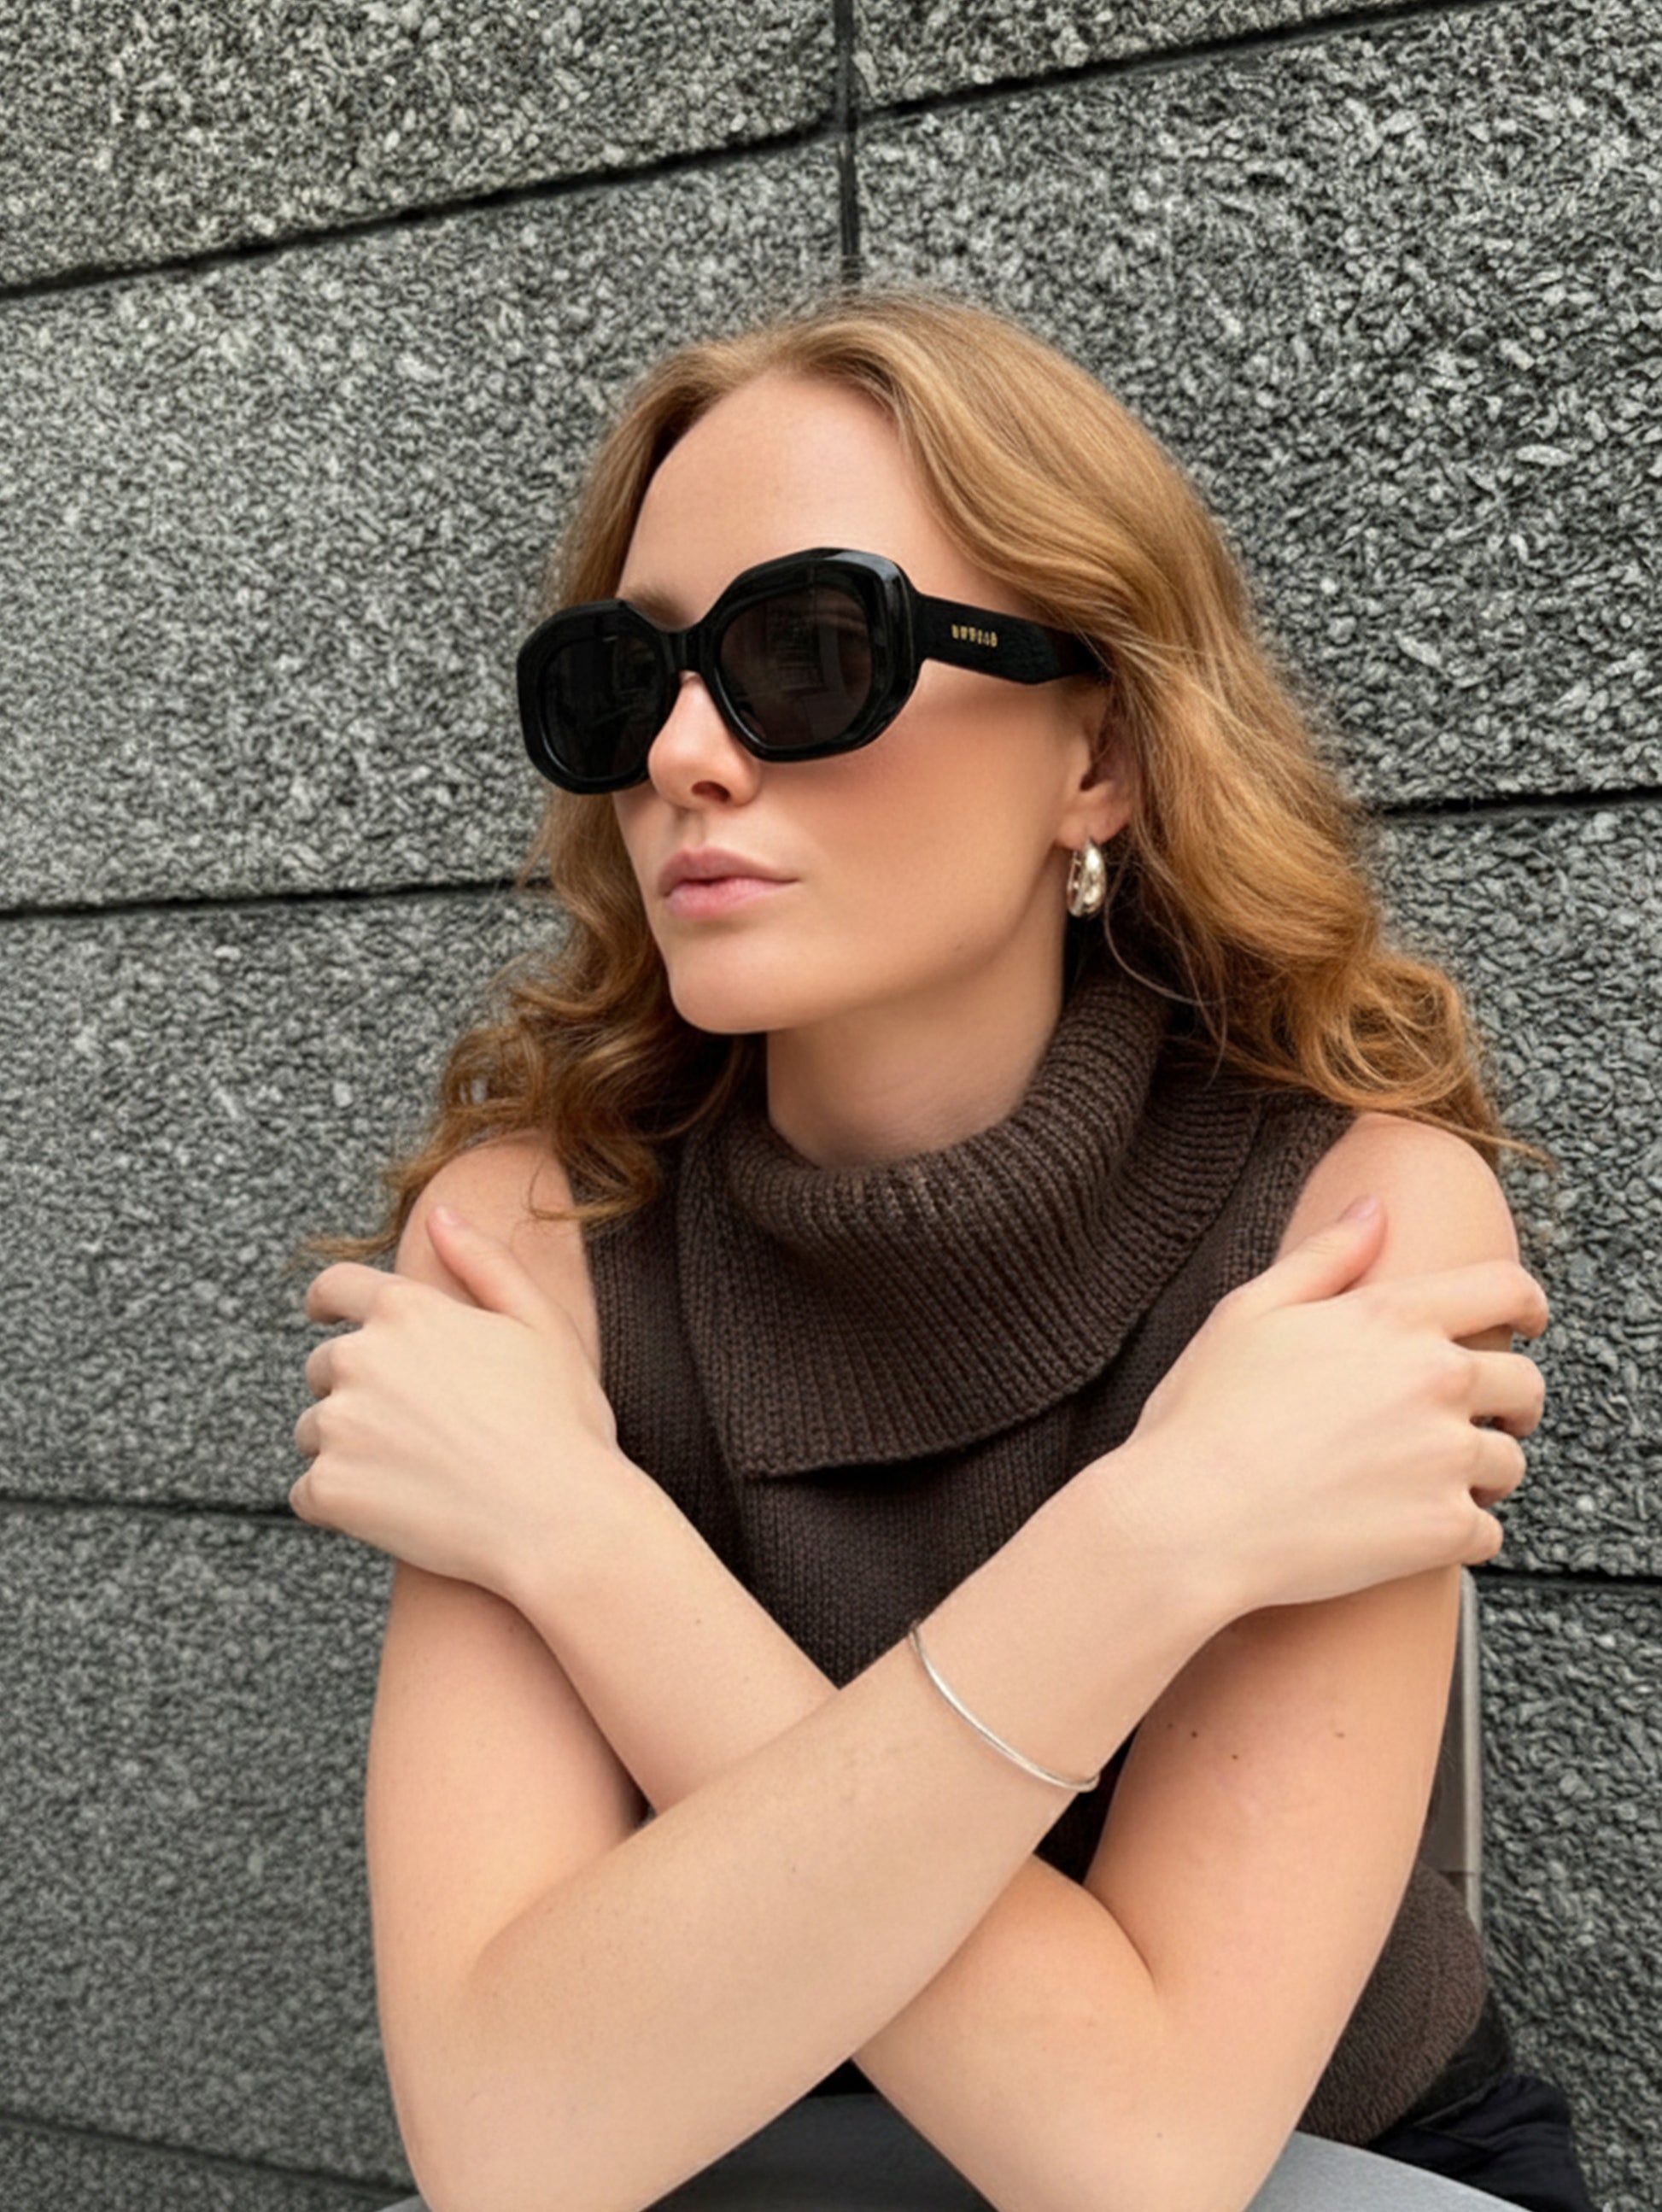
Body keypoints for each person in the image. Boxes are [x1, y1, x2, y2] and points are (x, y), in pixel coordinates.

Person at [291, 287, 1598, 2212]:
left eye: (808, 655)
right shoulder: (530, 1234)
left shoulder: (1351, 1215)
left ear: (1099, 755)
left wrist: (575, 1533)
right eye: (622, 679)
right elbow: (511, 2138)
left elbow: (1136, 2146)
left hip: (1316, 2161)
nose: (684, 757)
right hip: (708, 2142)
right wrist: (1166, 1535)